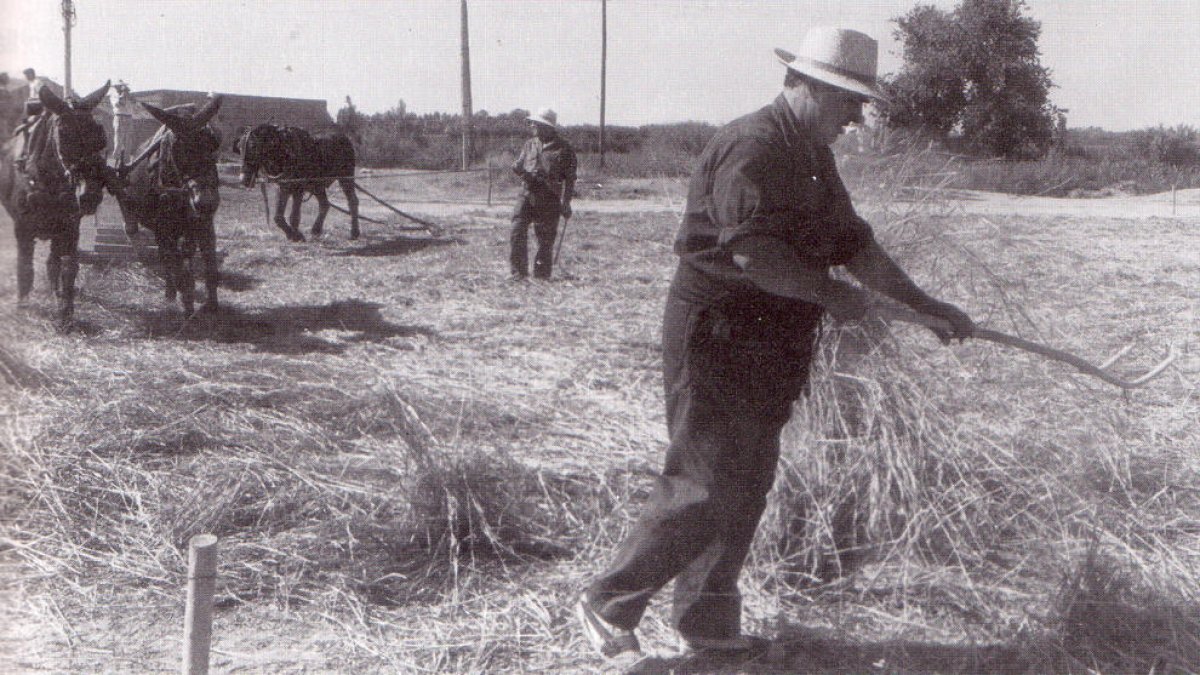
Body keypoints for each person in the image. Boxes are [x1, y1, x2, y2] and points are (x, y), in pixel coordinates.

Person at [575, 27, 974, 660]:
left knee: (748, 480)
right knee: (704, 479)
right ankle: (608, 601)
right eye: (851, 101)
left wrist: (925, 307)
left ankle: (708, 627)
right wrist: (833, 296)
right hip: (719, 333)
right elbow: (755, 256)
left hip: (773, 341)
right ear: (810, 87)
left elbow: (855, 246)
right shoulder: (752, 146)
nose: (857, 117)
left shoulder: (813, 153)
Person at [509, 107, 576, 280]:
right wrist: (519, 170)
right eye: (532, 123)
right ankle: (518, 273)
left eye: (536, 123)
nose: (532, 126)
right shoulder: (529, 144)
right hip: (526, 193)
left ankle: (541, 276)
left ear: (548, 127)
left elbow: (570, 179)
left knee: (545, 239)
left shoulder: (565, 149)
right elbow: (519, 164)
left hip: (549, 198)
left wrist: (566, 202)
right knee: (517, 228)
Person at [109, 80, 137, 165]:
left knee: (128, 141)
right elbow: (119, 104)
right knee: (118, 140)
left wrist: (129, 96)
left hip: (128, 117)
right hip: (119, 117)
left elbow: (134, 103)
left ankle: (126, 161)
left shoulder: (128, 96)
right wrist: (123, 95)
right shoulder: (114, 95)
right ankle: (115, 161)